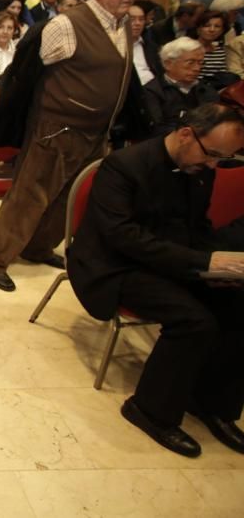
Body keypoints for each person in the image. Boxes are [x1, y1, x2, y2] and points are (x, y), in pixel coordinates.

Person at [68, 103, 244, 458]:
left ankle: (211, 402)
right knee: (195, 321)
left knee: (238, 303)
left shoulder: (199, 169)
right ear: (185, 134)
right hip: (113, 266)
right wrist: (202, 262)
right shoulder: (123, 166)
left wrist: (219, 266)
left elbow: (196, 228)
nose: (213, 166)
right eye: (211, 154)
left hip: (166, 261)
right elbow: (123, 239)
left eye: (223, 159)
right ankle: (149, 409)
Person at [0, 0, 147, 292]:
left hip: (95, 133)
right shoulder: (66, 25)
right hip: (56, 130)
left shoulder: (123, 23)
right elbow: (25, 64)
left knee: (67, 195)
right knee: (31, 195)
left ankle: (38, 247)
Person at [143, 37, 220, 135]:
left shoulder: (206, 90)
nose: (197, 68)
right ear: (168, 64)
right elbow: (156, 128)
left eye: (200, 63)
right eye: (190, 63)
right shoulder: (152, 91)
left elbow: (217, 122)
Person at [191, 10, 233, 85]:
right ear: (198, 29)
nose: (212, 30)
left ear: (222, 31)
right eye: (207, 26)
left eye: (217, 26)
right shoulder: (188, 49)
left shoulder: (221, 50)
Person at [129, 2, 164, 86]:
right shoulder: (114, 46)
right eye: (132, 19)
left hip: (152, 91)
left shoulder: (151, 47)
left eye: (141, 19)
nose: (137, 23)